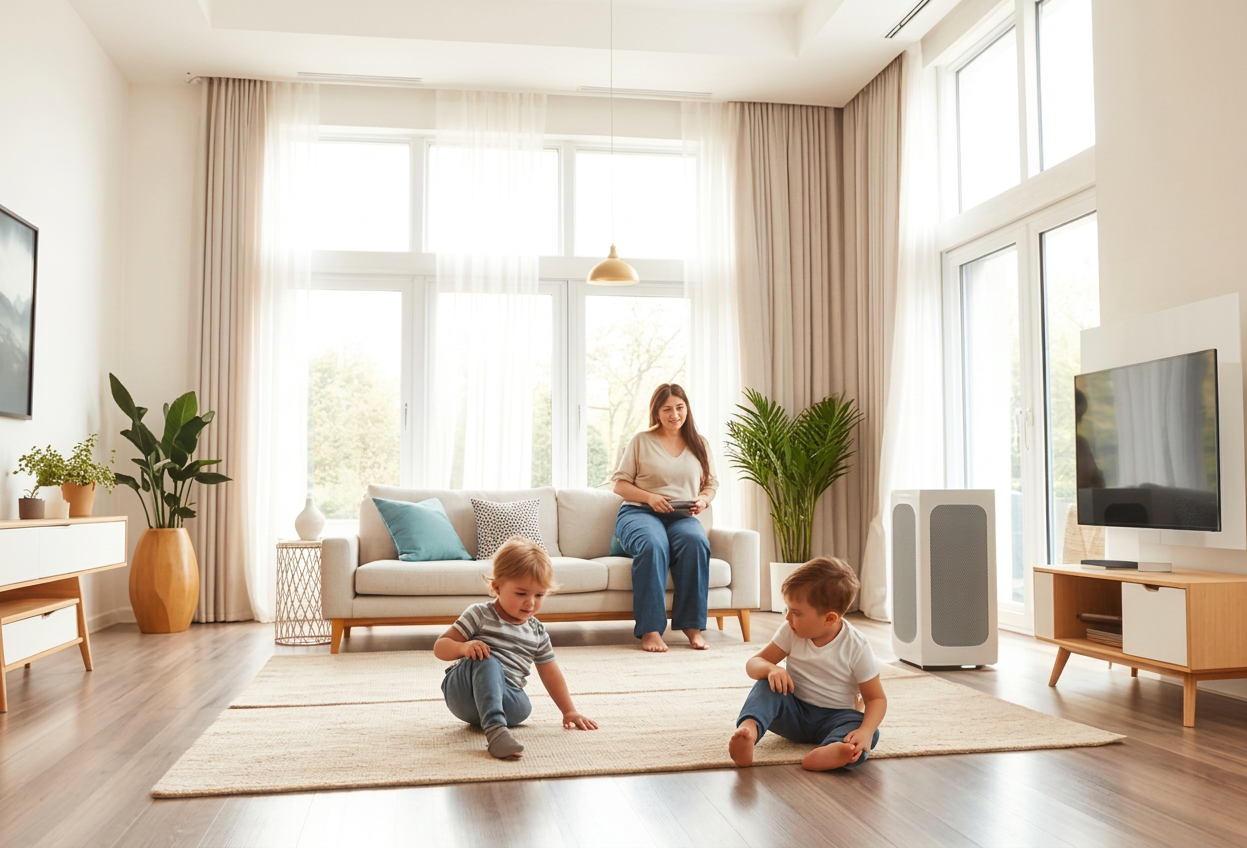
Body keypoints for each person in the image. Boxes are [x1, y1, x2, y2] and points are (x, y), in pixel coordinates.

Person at [434, 537, 598, 759]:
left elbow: (550, 673)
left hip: (505, 700)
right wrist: (464, 648)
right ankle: (495, 731)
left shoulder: (536, 631)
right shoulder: (479, 614)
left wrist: (569, 711)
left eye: (539, 595)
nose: (530, 602)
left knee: (524, 706)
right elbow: (440, 647)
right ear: (497, 587)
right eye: (521, 594)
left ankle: (495, 720)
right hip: (464, 695)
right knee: (487, 659)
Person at [728, 557, 886, 771]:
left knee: (867, 731)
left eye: (796, 613)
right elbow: (753, 663)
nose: (787, 618)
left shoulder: (857, 646)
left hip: (836, 718)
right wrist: (771, 668)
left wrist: (865, 731)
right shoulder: (790, 631)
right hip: (793, 713)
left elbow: (876, 699)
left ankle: (834, 750)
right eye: (787, 610)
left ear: (829, 619)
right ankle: (749, 732)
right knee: (766, 684)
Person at [611, 383, 719, 653]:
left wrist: (703, 499)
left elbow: (711, 485)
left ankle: (692, 626)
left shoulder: (699, 443)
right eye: (667, 409)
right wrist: (650, 498)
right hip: (639, 512)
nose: (675, 414)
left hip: (681, 516)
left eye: (680, 407)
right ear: (657, 412)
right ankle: (650, 631)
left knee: (696, 543)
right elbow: (620, 485)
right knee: (653, 544)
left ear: (687, 409)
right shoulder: (641, 440)